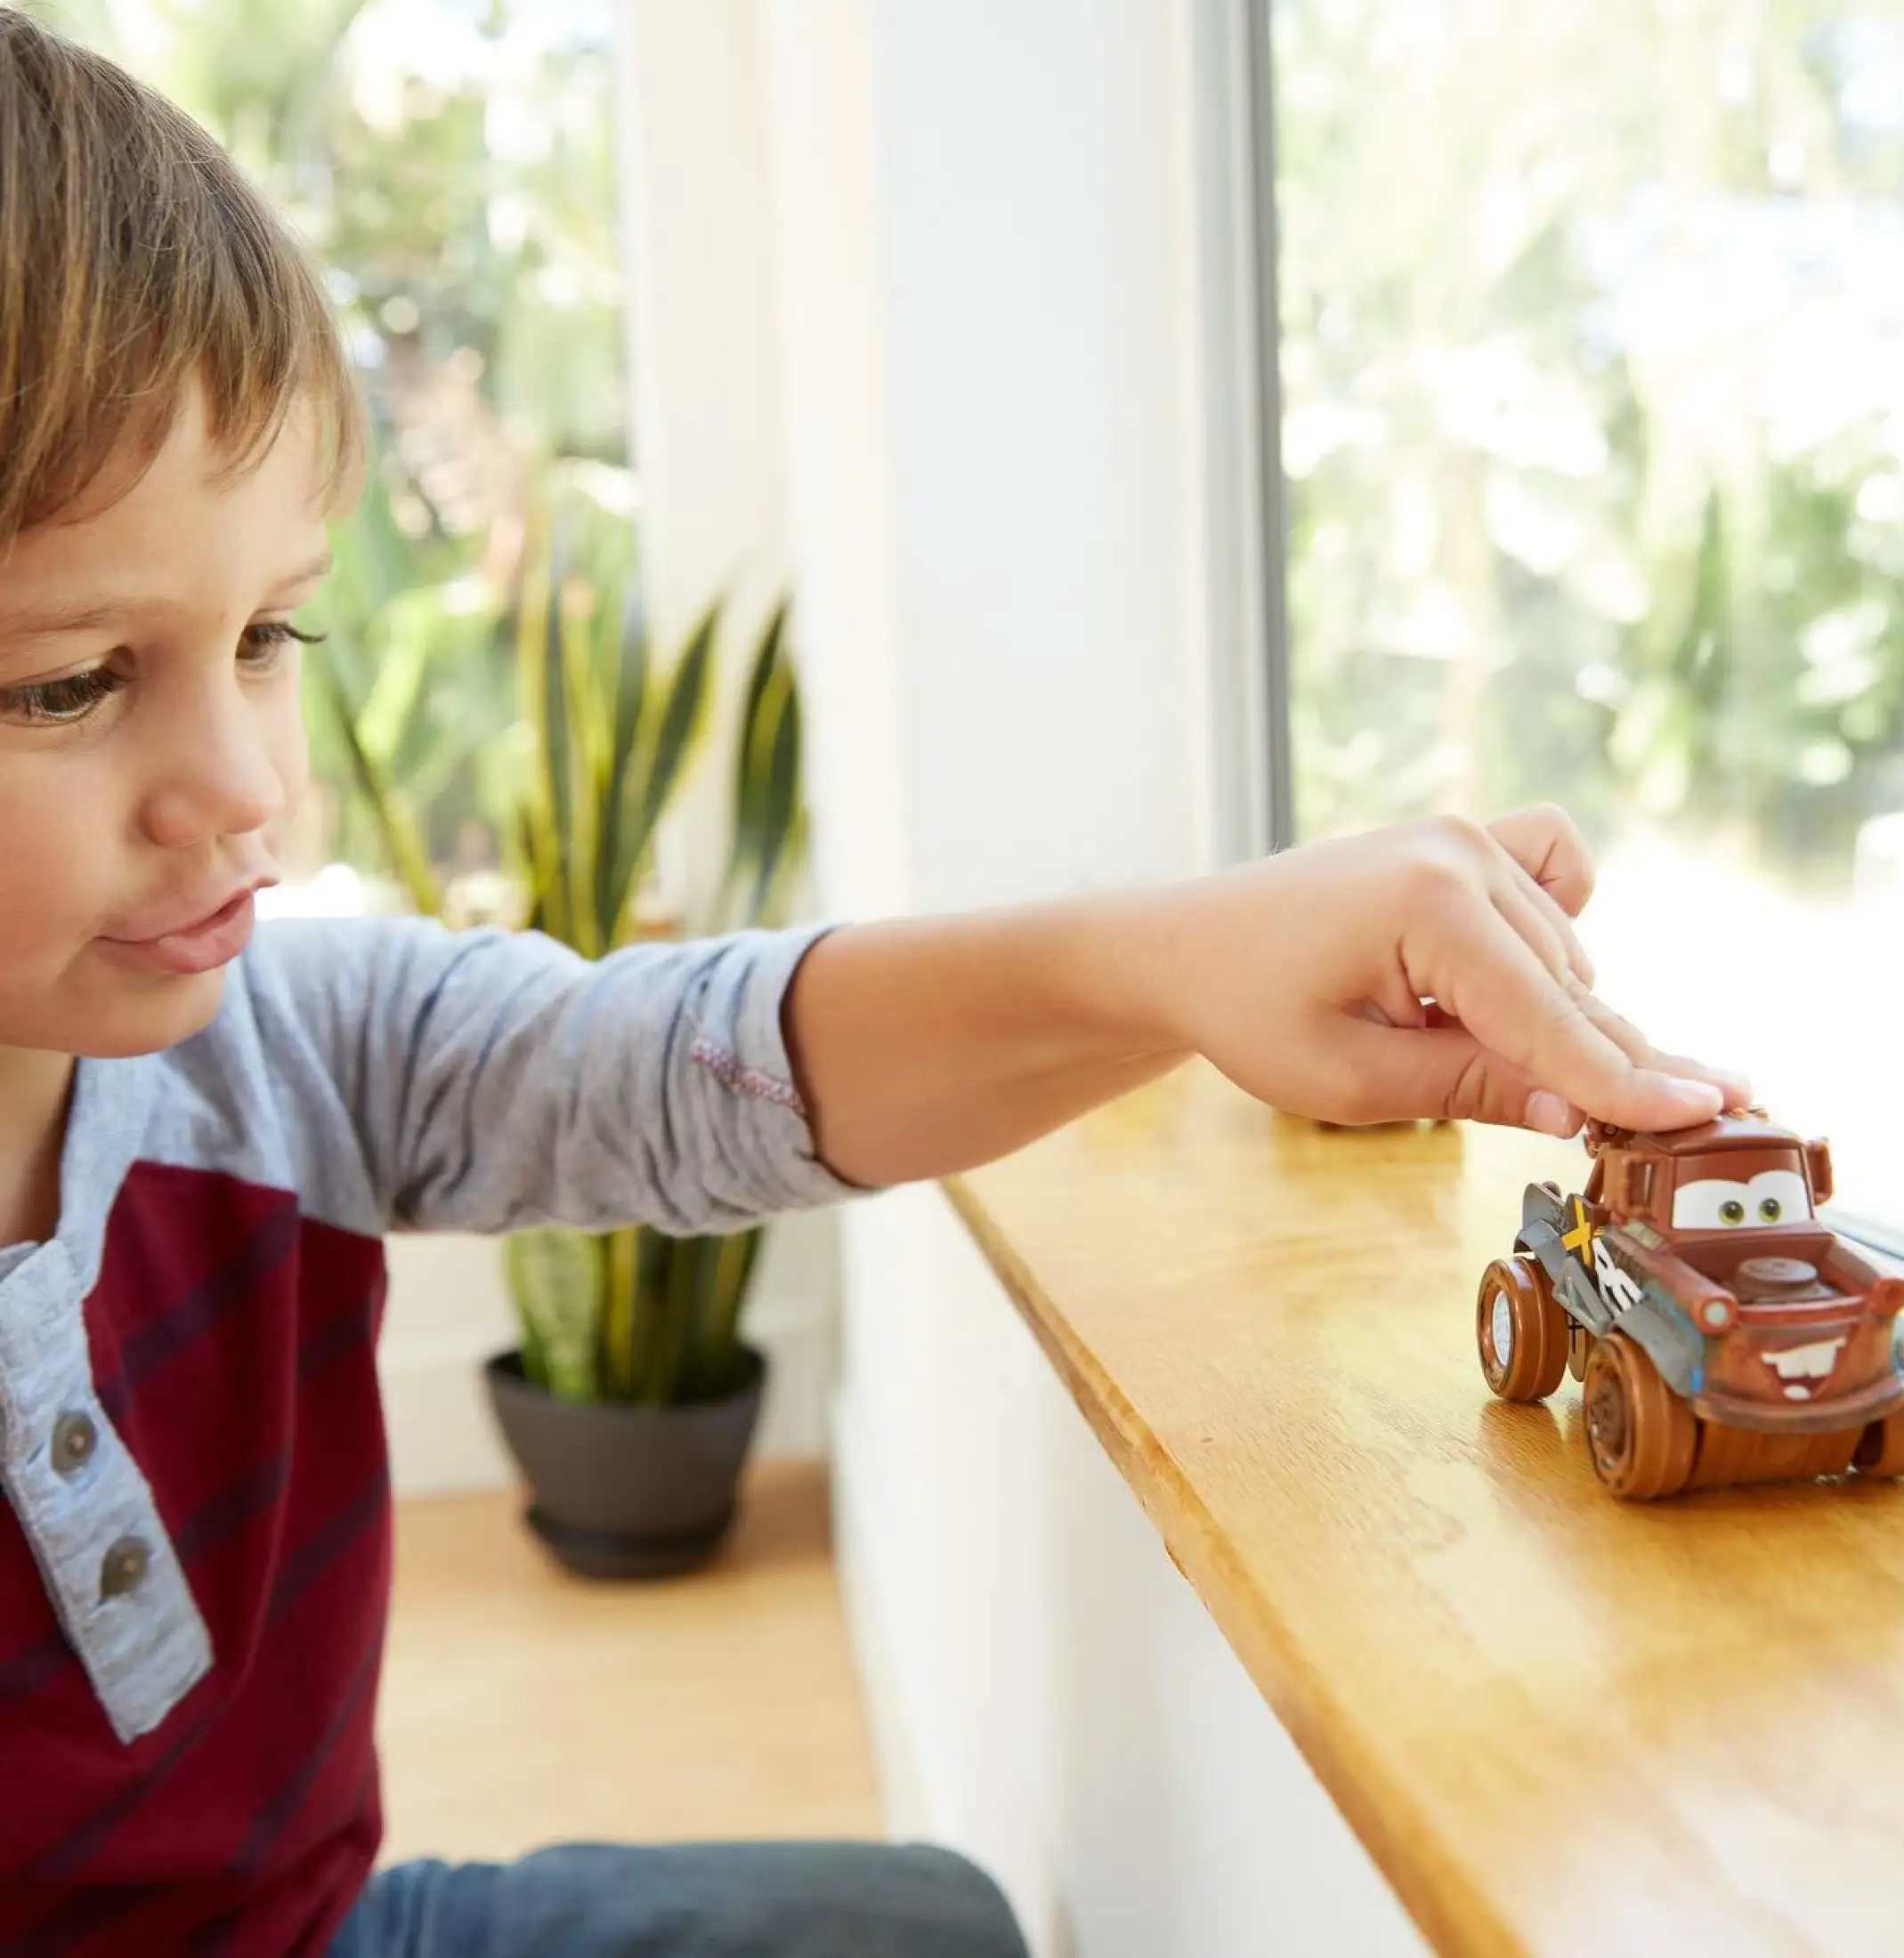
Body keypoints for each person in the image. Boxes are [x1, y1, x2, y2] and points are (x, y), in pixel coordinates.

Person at [0, 14, 1743, 1957]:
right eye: (66, 684)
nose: (244, 783)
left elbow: (675, 1061)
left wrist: (1185, 958)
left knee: (925, 1927)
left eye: (268, 633)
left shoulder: (279, 1053)